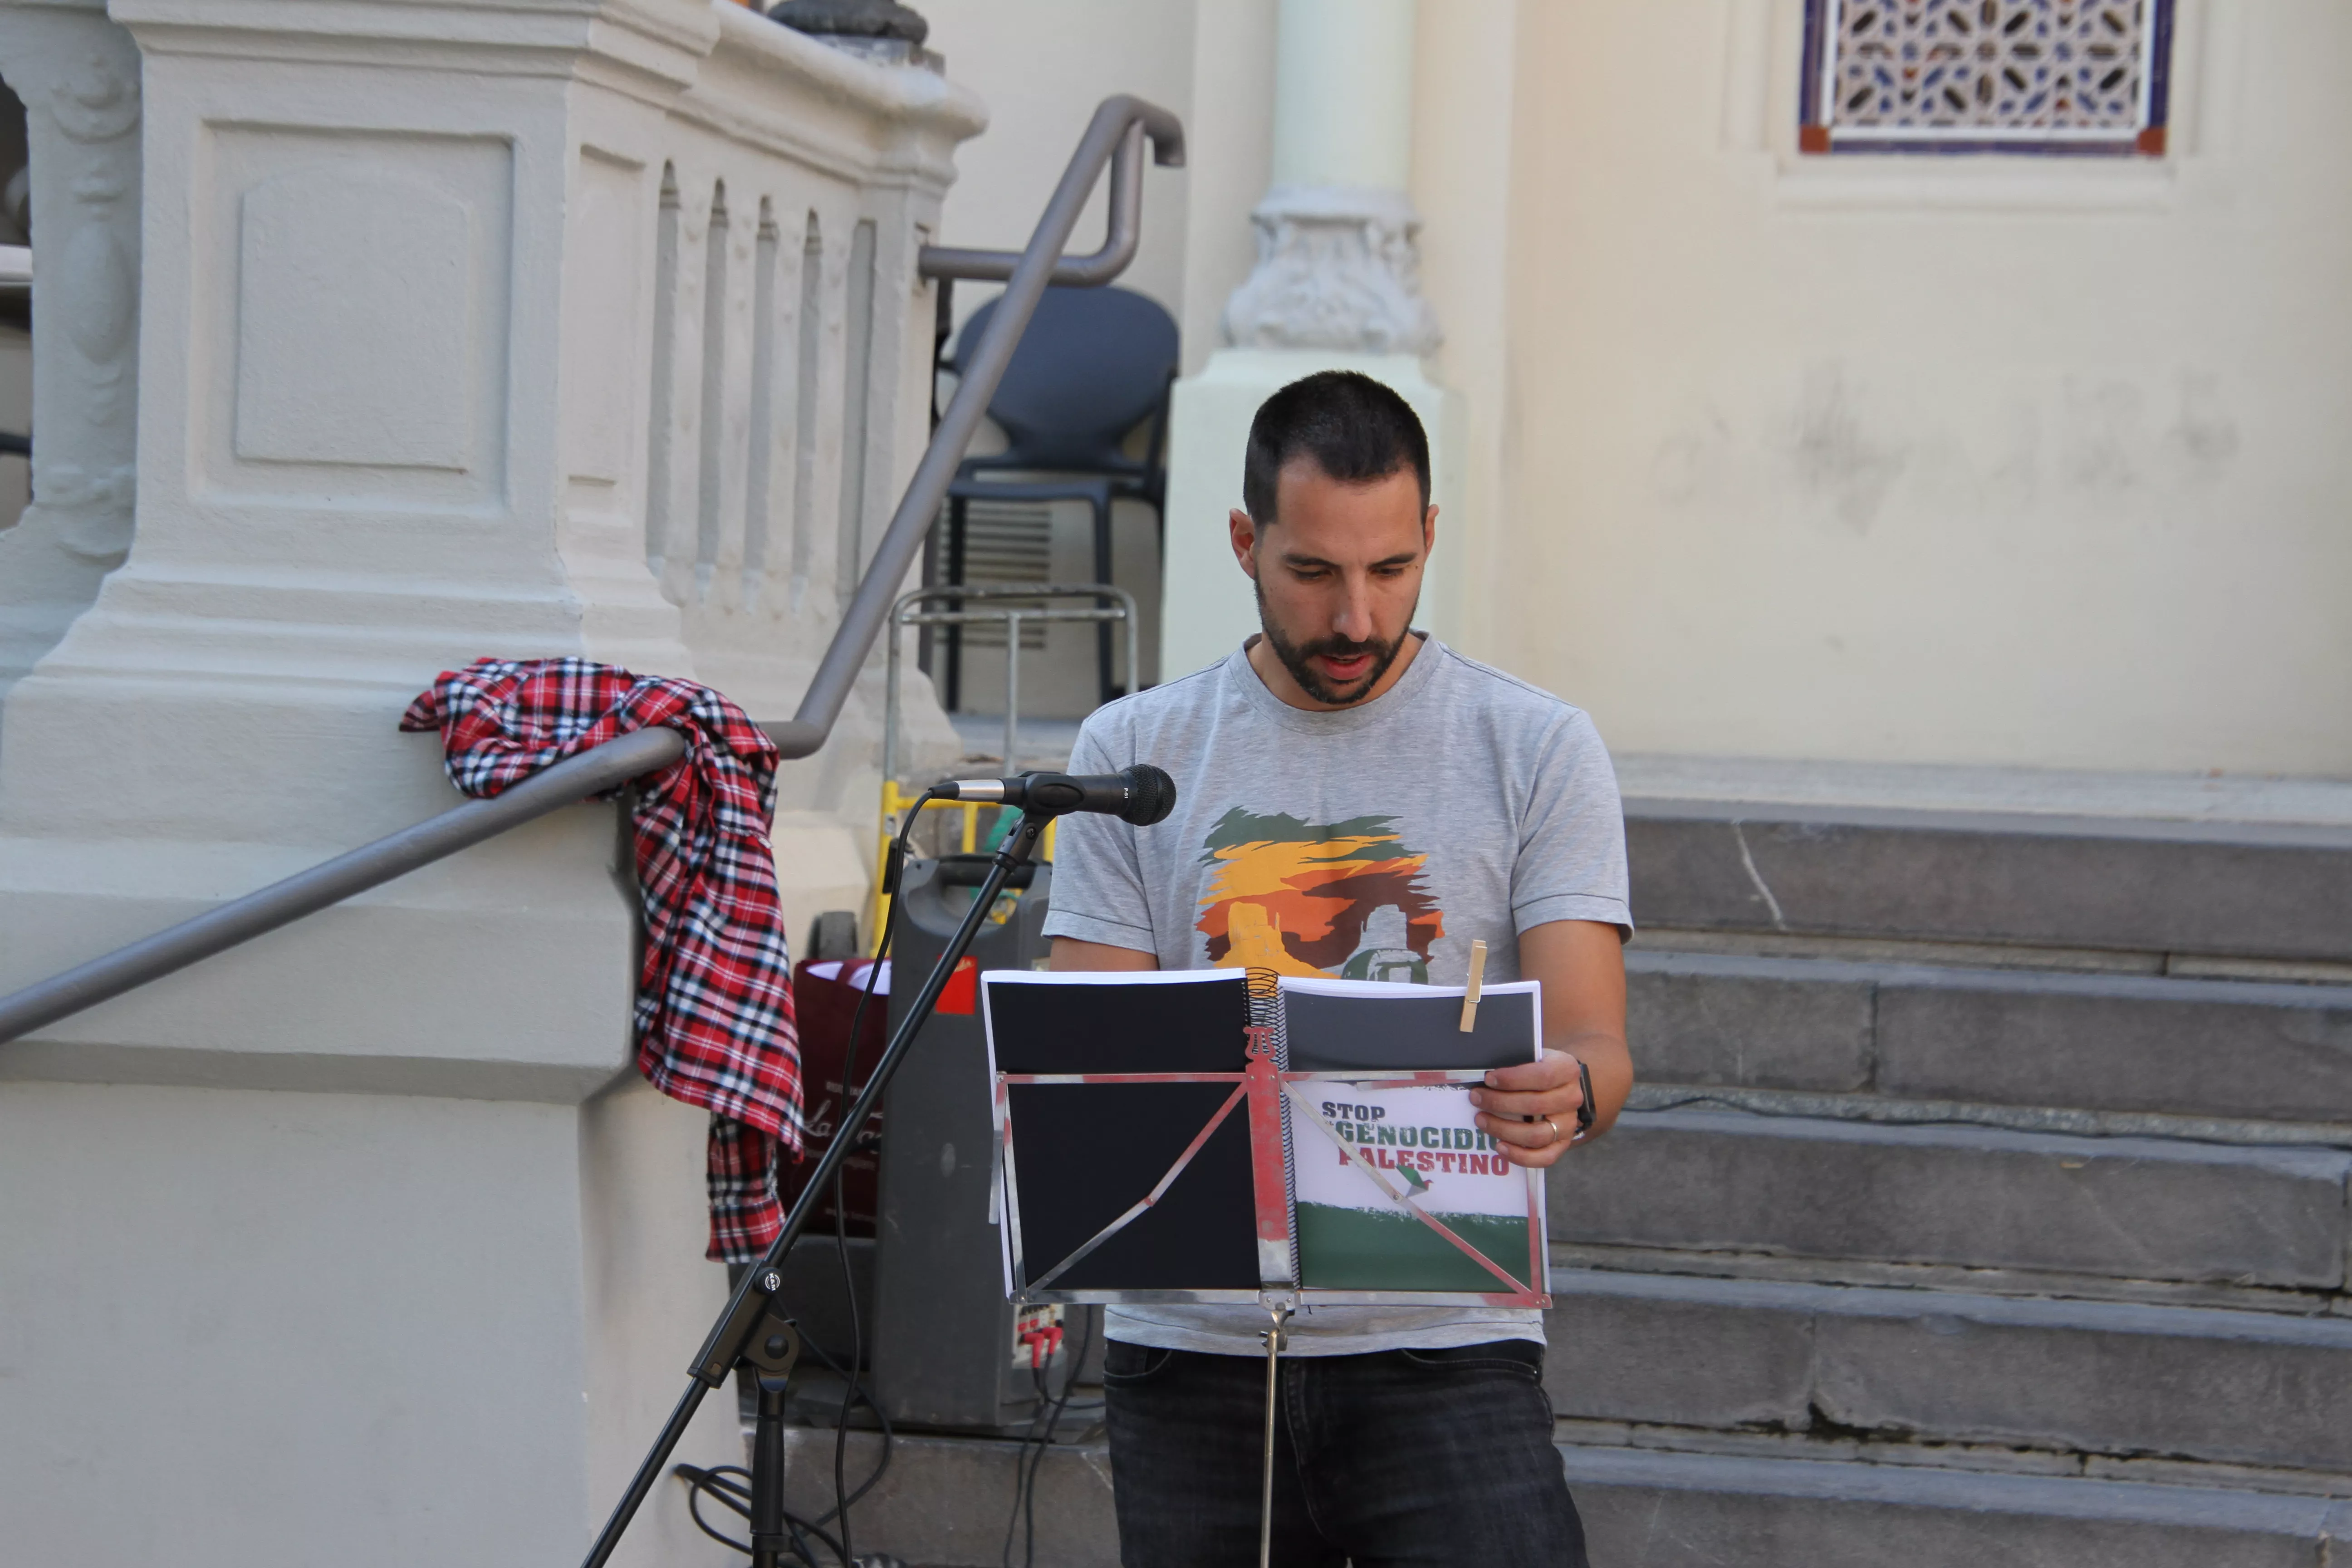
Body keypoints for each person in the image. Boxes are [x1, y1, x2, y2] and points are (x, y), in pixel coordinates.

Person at [1043, 369, 1632, 1566]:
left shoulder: (1537, 747)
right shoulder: (1131, 752)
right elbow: (1092, 1060)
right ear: (1245, 544)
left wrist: (1567, 1090)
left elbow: (1598, 1044)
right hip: (1192, 1353)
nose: (1357, 619)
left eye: (1390, 572)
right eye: (1312, 574)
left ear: (1428, 538)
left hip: (1445, 1340)